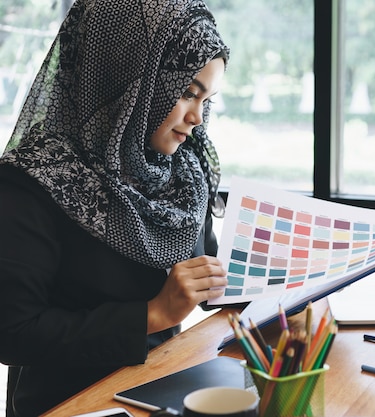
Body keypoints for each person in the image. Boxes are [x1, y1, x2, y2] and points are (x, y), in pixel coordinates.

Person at [0, 0, 231, 415]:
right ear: (127, 78)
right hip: (72, 404)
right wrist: (152, 314)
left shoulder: (184, 169)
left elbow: (205, 271)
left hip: (163, 385)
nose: (197, 117)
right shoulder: (35, 179)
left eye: (207, 99)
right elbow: (13, 333)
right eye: (185, 93)